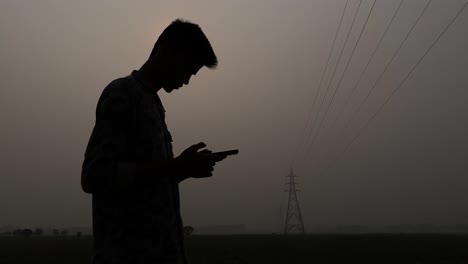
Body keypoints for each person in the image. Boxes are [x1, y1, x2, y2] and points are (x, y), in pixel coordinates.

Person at [81, 19, 230, 264]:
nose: (186, 81)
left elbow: (147, 182)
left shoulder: (152, 105)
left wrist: (183, 170)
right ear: (168, 52)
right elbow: (95, 175)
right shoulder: (123, 93)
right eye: (187, 69)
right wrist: (175, 167)